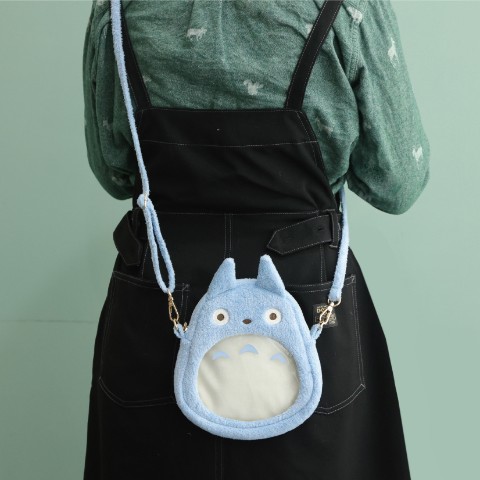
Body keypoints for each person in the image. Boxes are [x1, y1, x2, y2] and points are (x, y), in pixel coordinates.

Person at [82, 1, 430, 479]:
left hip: (164, 293)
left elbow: (116, 171)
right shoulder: (347, 7)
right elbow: (396, 183)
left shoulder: (118, 7)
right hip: (306, 294)